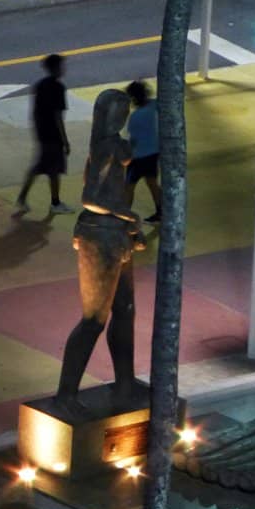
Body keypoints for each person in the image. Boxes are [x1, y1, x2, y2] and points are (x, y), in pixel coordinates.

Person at [56, 89, 146, 416]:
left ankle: (125, 382)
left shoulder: (113, 145)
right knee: (94, 318)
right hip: (100, 234)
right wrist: (129, 214)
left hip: (116, 235)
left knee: (126, 309)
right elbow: (91, 197)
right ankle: (65, 394)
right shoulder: (105, 147)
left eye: (124, 112)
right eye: (116, 113)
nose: (121, 118)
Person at [16, 54, 74, 215]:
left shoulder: (40, 86)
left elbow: (35, 112)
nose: (64, 69)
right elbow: (58, 116)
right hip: (53, 136)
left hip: (42, 133)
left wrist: (38, 131)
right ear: (55, 68)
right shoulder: (59, 88)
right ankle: (54, 203)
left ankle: (26, 198)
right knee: (52, 168)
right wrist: (65, 140)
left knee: (44, 167)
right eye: (61, 66)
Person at [124, 80, 163, 224]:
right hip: (153, 153)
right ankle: (161, 212)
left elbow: (133, 140)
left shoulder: (135, 117)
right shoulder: (154, 105)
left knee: (129, 186)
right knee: (152, 183)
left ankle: (125, 217)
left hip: (137, 157)